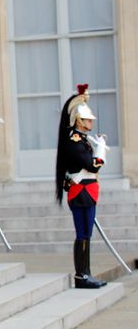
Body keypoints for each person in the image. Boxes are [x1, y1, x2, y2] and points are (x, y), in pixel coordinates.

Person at [55, 84, 107, 289]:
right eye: (87, 120)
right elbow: (92, 165)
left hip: (87, 191)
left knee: (86, 233)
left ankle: (86, 272)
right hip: (81, 192)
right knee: (83, 233)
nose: (90, 123)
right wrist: (101, 151)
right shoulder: (74, 141)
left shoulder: (82, 139)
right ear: (78, 120)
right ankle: (82, 275)